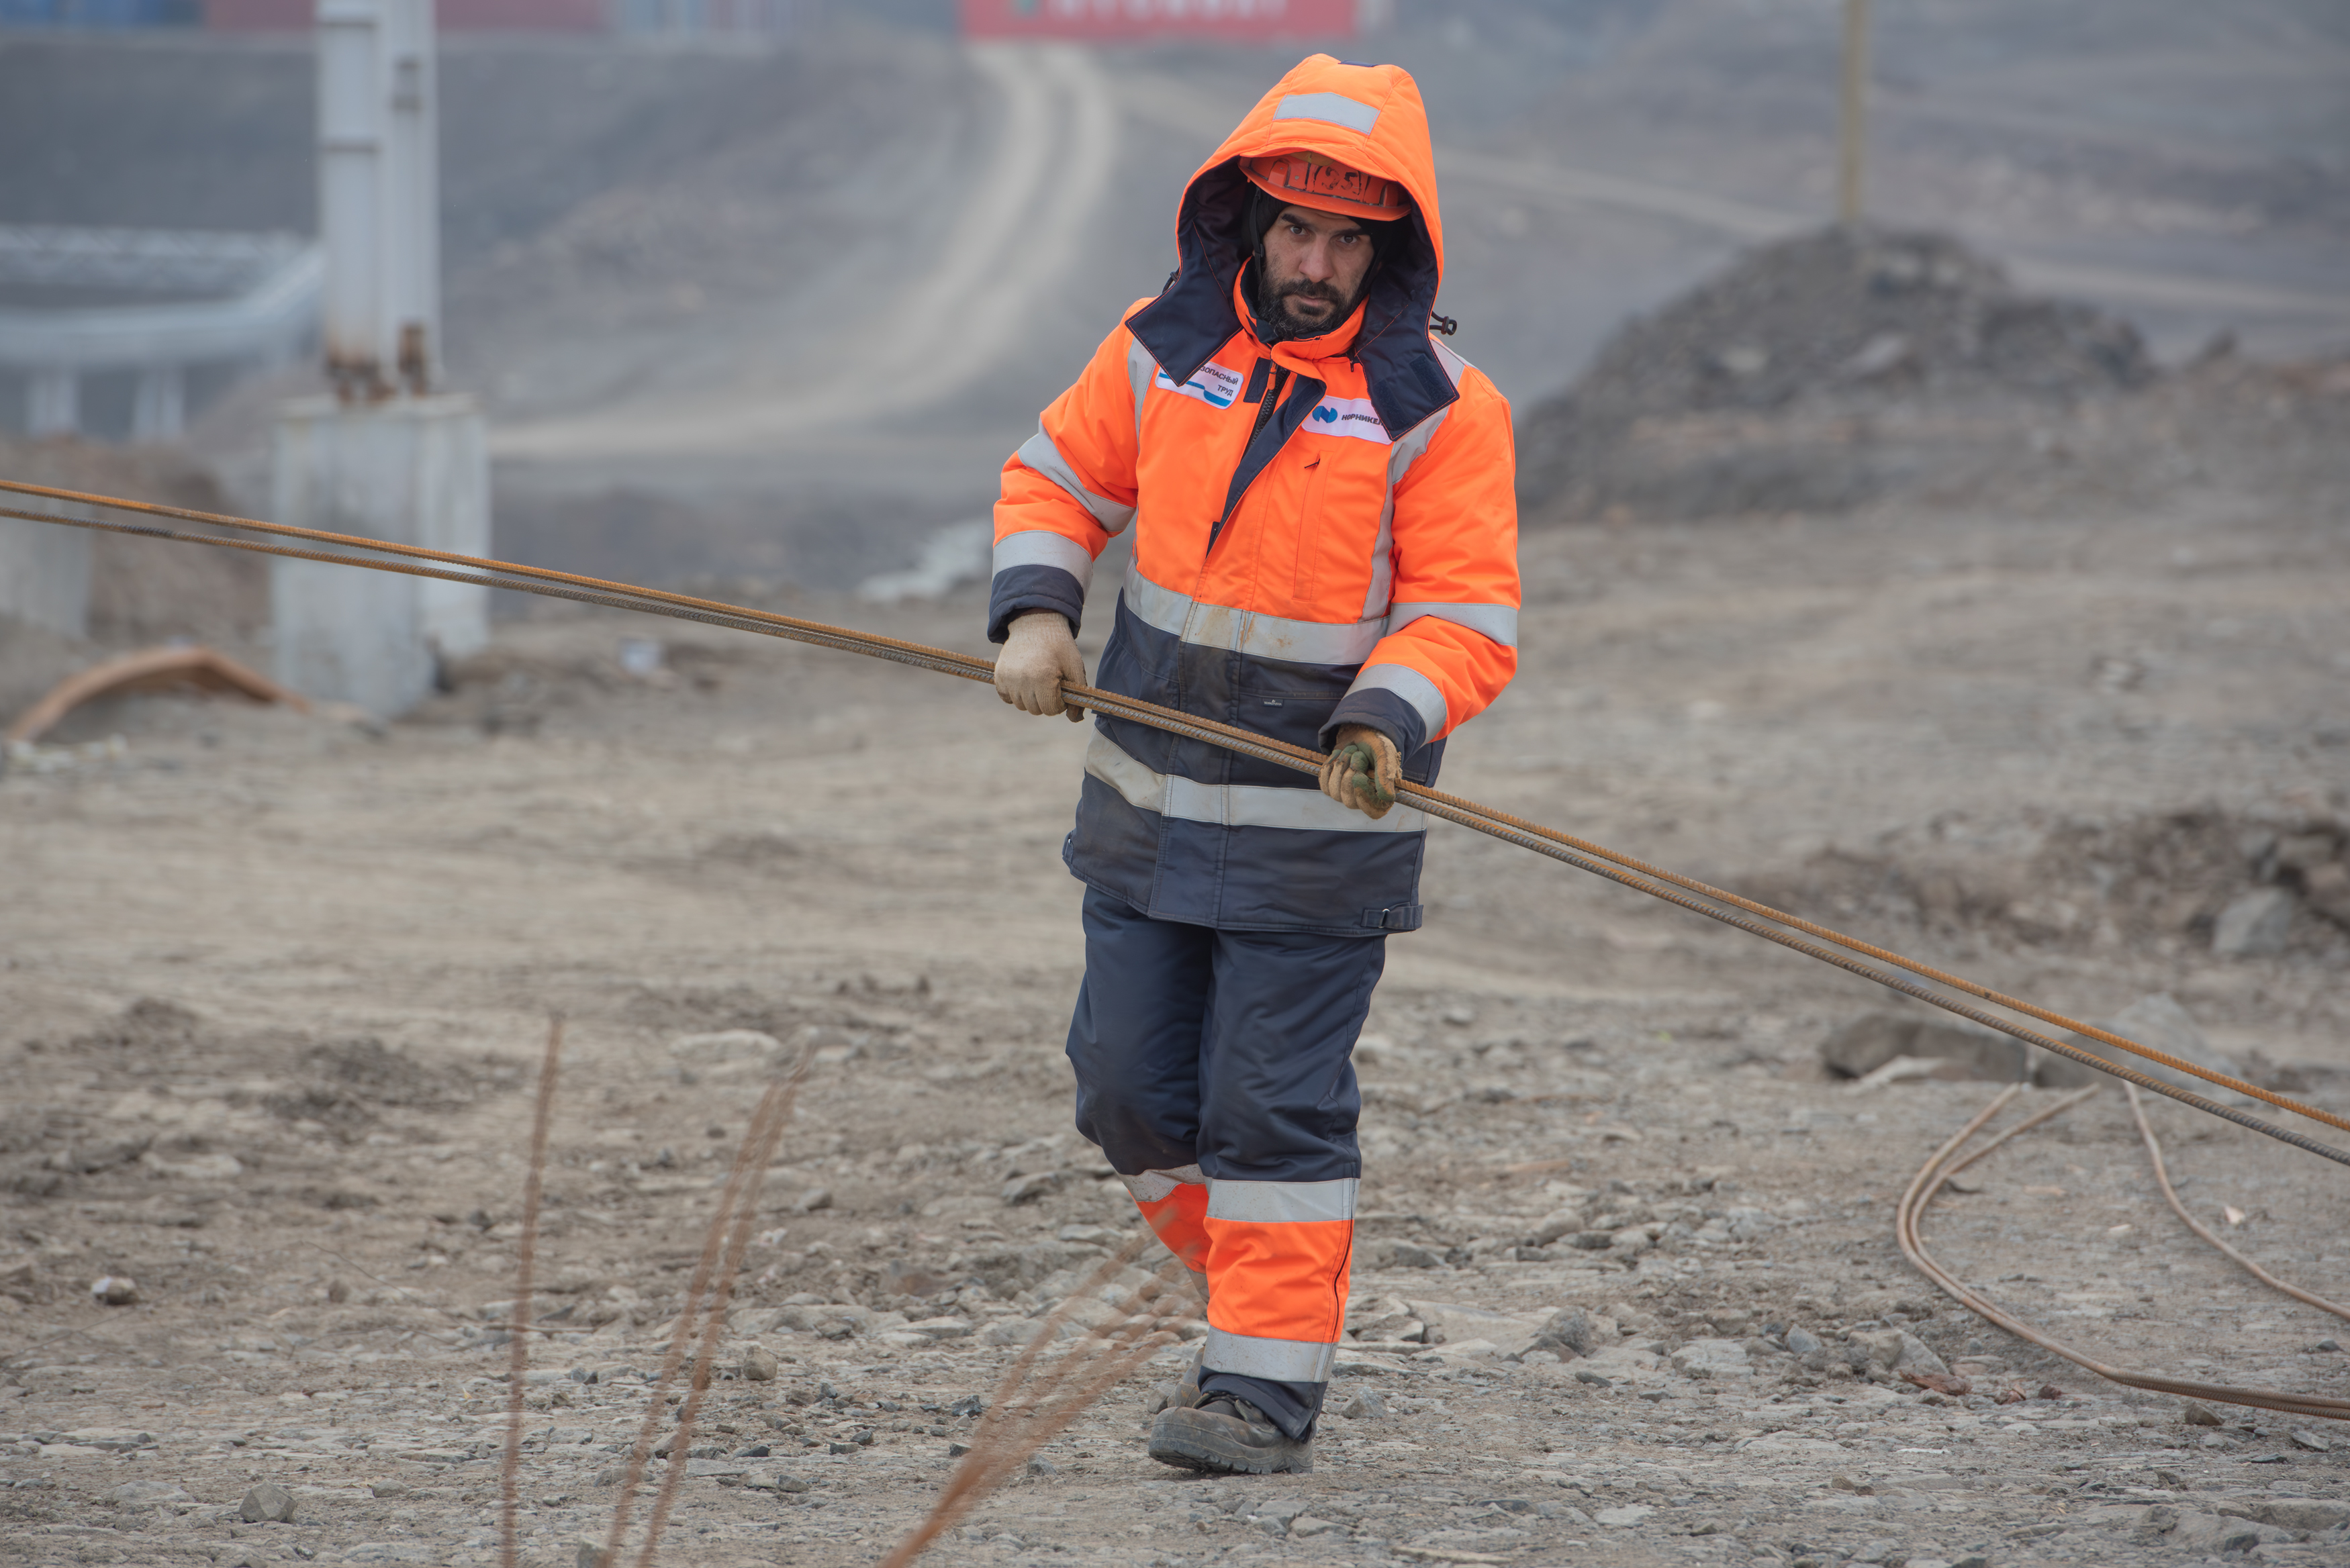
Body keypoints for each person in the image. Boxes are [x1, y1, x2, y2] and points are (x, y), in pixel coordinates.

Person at [986, 54, 1519, 1475]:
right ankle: (1256, 1294)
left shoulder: (1441, 409)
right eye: (1296, 228)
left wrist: (1382, 721)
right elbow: (1055, 478)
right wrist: (1039, 612)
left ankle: (1258, 1389)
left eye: (1349, 239)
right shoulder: (1159, 350)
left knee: (1270, 1110)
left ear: (1390, 249)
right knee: (1125, 1093)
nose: (1316, 263)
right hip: (1147, 822)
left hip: (1315, 844)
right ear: (1246, 220)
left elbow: (1462, 613)